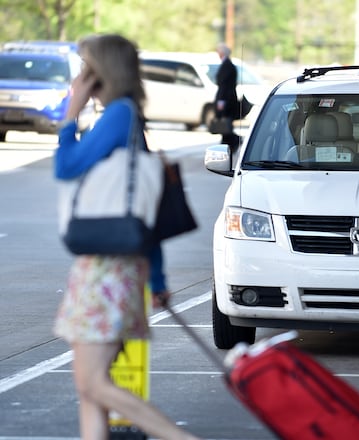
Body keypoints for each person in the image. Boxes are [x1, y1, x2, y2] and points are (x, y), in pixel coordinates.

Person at [53, 34, 200, 440]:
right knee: (90, 390)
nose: (81, 78)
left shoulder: (119, 115)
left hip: (106, 268)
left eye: (86, 68)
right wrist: (158, 279)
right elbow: (142, 214)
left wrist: (71, 113)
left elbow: (67, 167)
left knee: (94, 384)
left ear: (102, 73)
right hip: (118, 265)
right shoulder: (130, 117)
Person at [214, 42, 241, 157]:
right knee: (224, 123)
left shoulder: (227, 65)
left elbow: (225, 85)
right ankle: (229, 143)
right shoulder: (227, 64)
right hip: (227, 98)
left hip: (226, 99)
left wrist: (221, 101)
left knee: (225, 123)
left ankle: (234, 141)